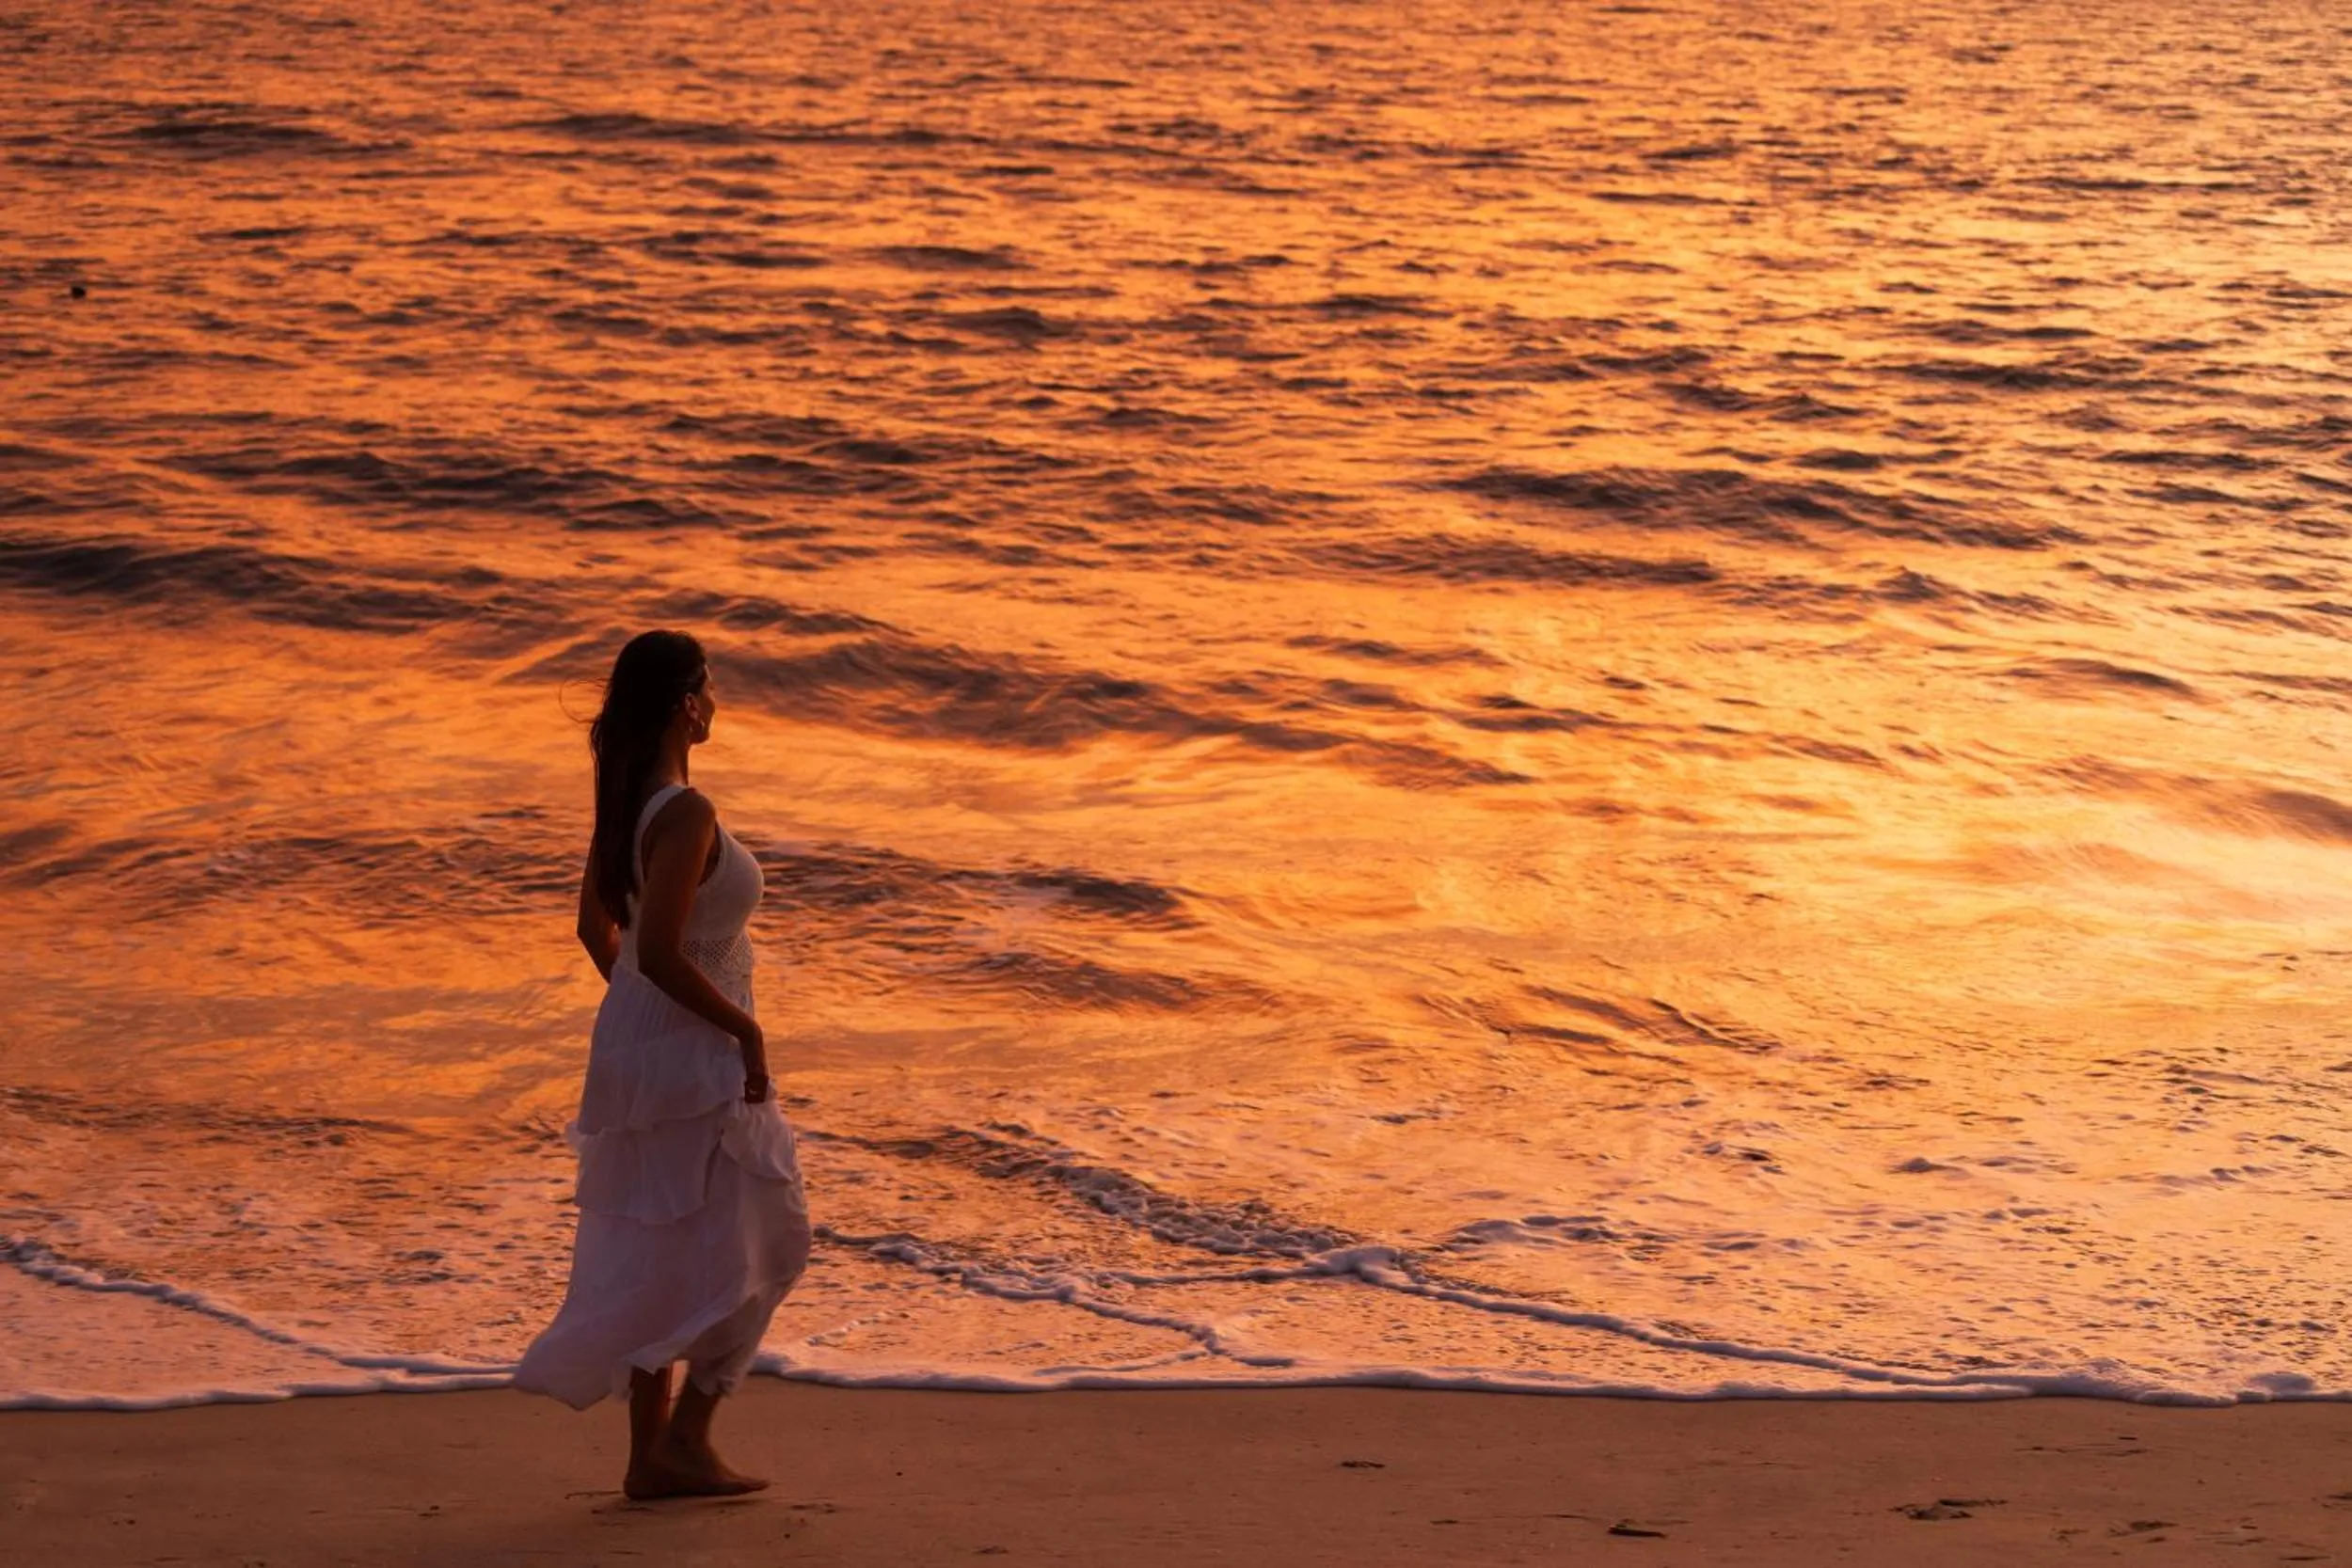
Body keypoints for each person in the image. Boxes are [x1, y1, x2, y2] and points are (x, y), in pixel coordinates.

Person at [515, 629, 811, 1499]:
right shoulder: (684, 811)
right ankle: (684, 1436)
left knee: (669, 1242)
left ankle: (657, 1457)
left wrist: (637, 1012)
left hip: (644, 1043)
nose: (716, 701)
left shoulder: (629, 803)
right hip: (695, 1047)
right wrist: (743, 1035)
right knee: (775, 1232)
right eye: (709, 687)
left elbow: (600, 936)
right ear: (688, 701)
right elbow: (672, 951)